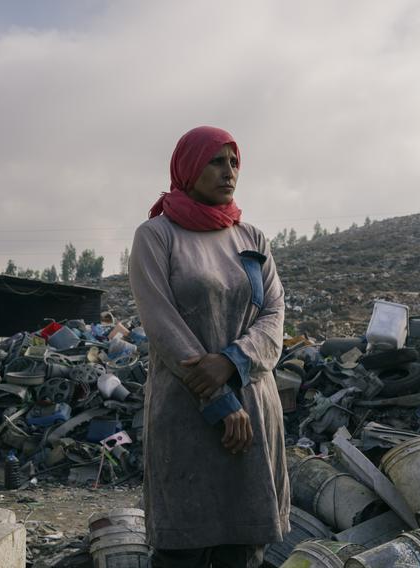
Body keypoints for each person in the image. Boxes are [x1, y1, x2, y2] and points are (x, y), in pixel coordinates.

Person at [128, 126, 289, 567]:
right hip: (188, 412)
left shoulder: (252, 239)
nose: (229, 172)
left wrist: (233, 361)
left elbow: (274, 316)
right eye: (216, 162)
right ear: (188, 167)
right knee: (184, 546)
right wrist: (220, 399)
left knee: (244, 548)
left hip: (254, 407)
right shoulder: (157, 236)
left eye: (234, 162)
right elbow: (162, 324)